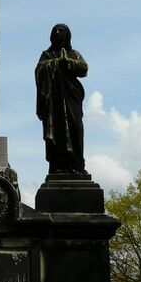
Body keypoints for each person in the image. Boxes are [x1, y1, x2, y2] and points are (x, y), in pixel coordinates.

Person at [35, 23, 88, 175]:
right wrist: (56, 63)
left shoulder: (74, 54)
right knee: (56, 131)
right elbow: (39, 70)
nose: (58, 32)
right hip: (54, 103)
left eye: (61, 30)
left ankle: (77, 165)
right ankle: (57, 166)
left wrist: (68, 63)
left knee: (75, 127)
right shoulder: (47, 55)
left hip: (71, 98)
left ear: (67, 35)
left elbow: (84, 69)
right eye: (55, 30)